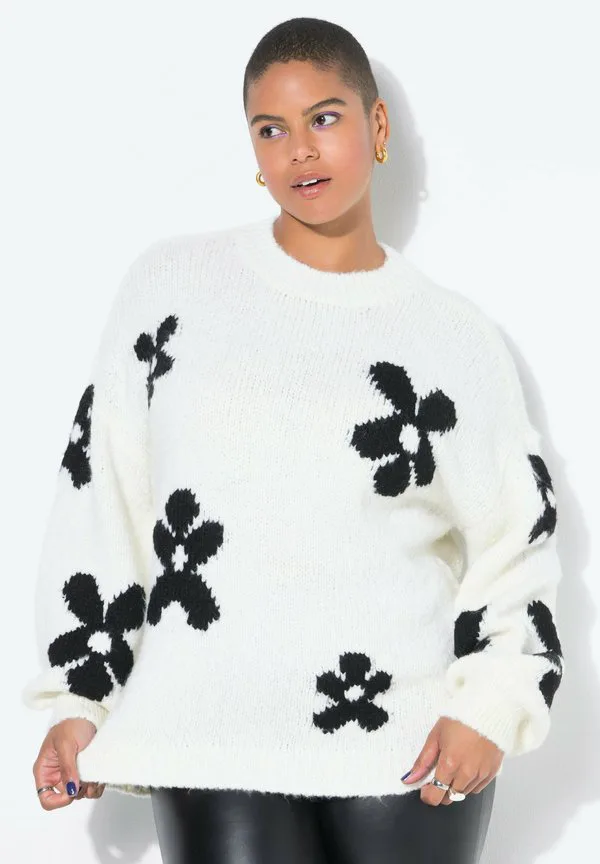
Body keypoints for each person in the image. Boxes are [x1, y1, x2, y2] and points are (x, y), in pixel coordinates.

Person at [22, 16, 565, 864]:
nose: (300, 151)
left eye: (324, 118)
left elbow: (516, 541)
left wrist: (493, 705)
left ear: (377, 125)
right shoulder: (173, 293)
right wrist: (78, 699)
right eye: (271, 129)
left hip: (408, 742)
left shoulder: (453, 341)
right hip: (209, 729)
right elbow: (103, 500)